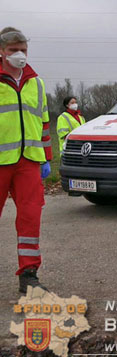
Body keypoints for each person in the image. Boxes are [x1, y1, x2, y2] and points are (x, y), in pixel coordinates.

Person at [0, 27, 52, 293]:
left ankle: (29, 274)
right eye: (13, 51)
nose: (19, 55)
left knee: (30, 219)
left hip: (29, 161)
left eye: (24, 50)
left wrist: (46, 158)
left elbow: (44, 122)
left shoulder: (37, 83)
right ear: (2, 52)